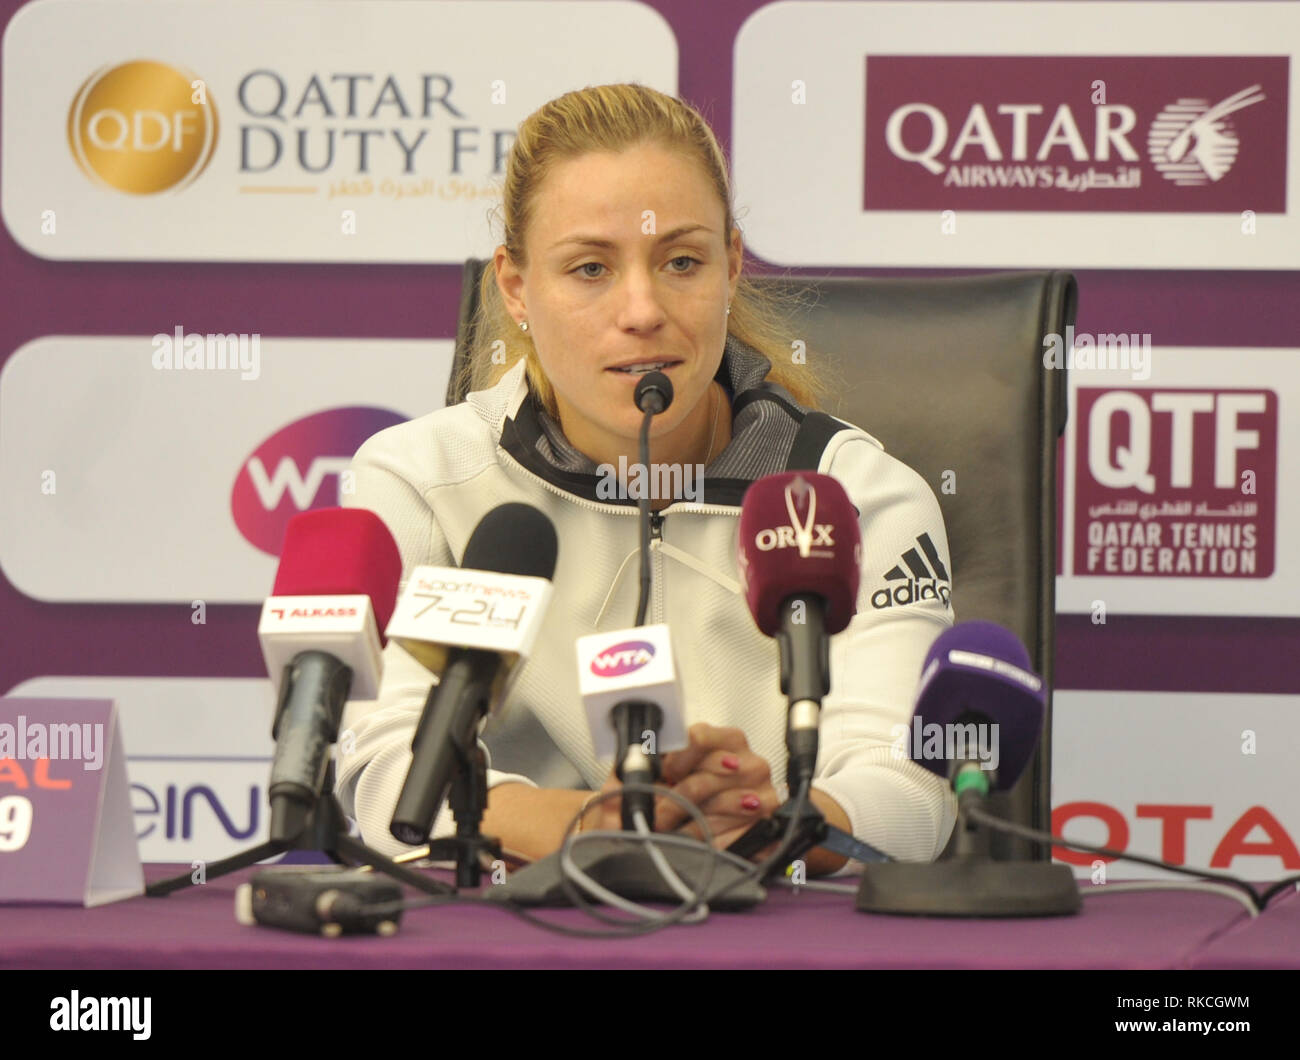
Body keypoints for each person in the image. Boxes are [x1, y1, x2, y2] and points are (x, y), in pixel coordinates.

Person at [336, 83, 957, 877]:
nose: (643, 309)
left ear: (731, 267)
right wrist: (596, 829)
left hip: (776, 930)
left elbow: (911, 787)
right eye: (591, 267)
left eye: (683, 262)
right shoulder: (420, 481)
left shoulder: (858, 497)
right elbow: (382, 768)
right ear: (517, 288)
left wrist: (772, 826)